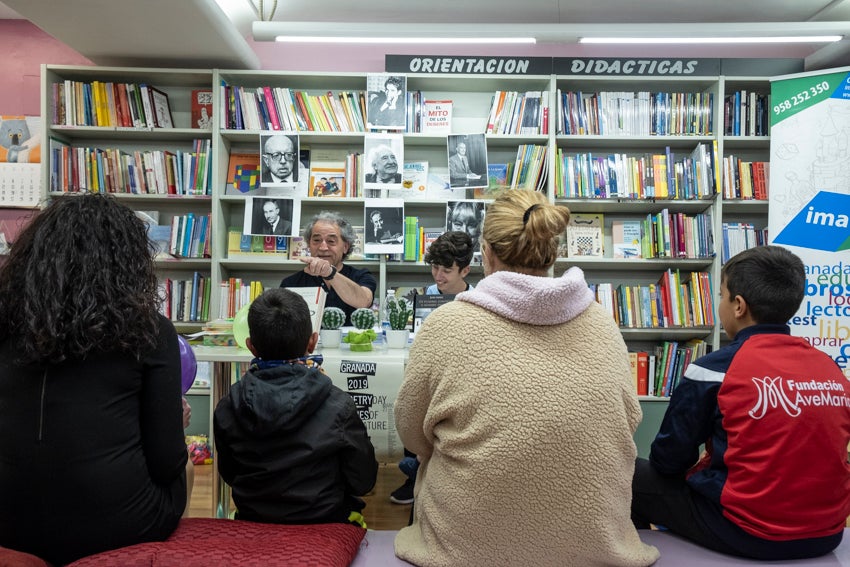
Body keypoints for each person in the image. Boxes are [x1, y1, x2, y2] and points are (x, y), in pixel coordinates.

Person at [393, 189, 659, 566]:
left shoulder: (446, 325)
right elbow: (628, 420)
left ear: (485, 253)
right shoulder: (601, 322)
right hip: (593, 546)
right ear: (551, 253)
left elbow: (411, 432)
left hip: (464, 549)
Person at [0, 194, 189, 566]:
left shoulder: (5, 322)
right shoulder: (149, 331)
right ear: (128, 262)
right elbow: (167, 461)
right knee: (185, 465)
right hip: (117, 524)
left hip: (6, 521)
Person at [632, 245, 850, 560]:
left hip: (746, 532)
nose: (719, 305)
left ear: (738, 305)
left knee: (625, 473)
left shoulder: (714, 369)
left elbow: (668, 461)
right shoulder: (831, 371)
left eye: (721, 296)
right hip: (825, 534)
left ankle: (638, 555)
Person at [213, 288, 378, 525]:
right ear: (313, 341)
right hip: (326, 523)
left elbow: (230, 473)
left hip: (253, 522)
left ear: (250, 346)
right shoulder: (339, 405)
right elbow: (363, 481)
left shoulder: (228, 405)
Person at [389, 230, 475, 506]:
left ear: (465, 270)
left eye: (447, 270)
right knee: (413, 399)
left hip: (464, 377)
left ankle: (436, 476)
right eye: (434, 267)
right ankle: (413, 476)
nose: (438, 275)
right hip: (426, 373)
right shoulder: (420, 299)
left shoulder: (478, 301)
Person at [280, 211, 376, 326]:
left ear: (345, 247)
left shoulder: (361, 276)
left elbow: (364, 301)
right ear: (309, 244)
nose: (323, 247)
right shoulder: (291, 283)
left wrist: (330, 273)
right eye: (316, 240)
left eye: (331, 241)